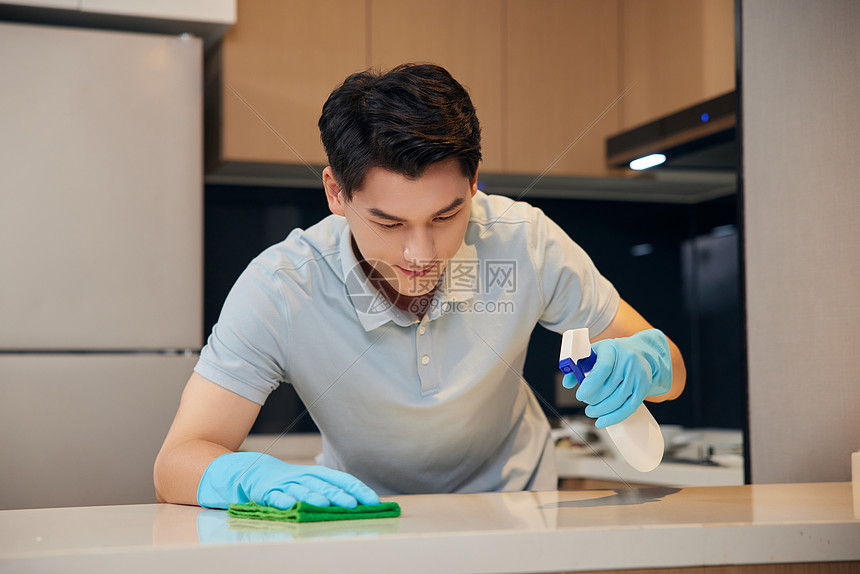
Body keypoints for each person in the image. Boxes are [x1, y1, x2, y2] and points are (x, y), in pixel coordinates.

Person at [153, 63, 686, 510]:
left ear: (475, 180)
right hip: (360, 520)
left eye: (446, 216)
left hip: (517, 516)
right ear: (336, 193)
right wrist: (251, 478)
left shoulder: (526, 242)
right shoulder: (282, 286)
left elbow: (673, 373)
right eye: (388, 224)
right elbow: (176, 462)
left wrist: (646, 363)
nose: (421, 254)